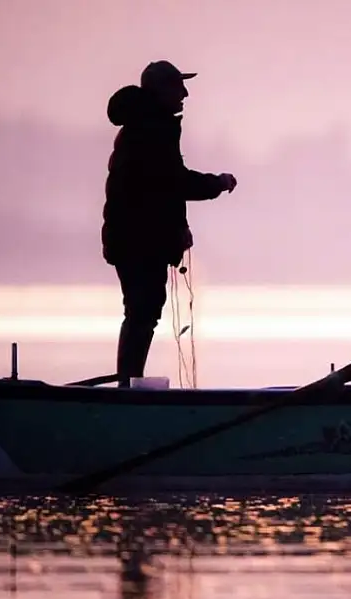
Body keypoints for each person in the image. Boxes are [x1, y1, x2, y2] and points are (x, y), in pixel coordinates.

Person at [102, 60, 237, 387]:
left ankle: (128, 383)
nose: (185, 94)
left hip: (136, 238)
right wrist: (216, 183)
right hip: (137, 240)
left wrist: (178, 228)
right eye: (178, 86)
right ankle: (127, 387)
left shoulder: (148, 126)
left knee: (143, 310)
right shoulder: (151, 129)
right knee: (142, 311)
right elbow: (172, 182)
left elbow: (161, 189)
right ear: (160, 90)